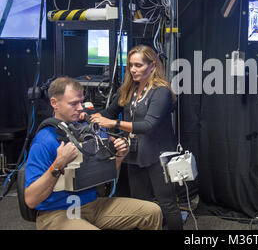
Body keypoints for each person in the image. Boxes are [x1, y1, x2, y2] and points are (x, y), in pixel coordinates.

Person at [24, 77, 162, 230]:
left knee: (152, 212)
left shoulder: (88, 131)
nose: (80, 108)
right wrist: (57, 165)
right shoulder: (44, 141)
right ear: (54, 103)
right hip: (57, 213)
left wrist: (120, 154)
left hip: (92, 206)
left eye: (81, 102)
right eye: (73, 104)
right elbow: (31, 200)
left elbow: (105, 175)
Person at [89, 44, 183, 230]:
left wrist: (113, 124)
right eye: (131, 65)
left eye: (138, 65)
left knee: (167, 203)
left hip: (158, 155)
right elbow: (108, 112)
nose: (133, 69)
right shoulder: (128, 89)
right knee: (141, 204)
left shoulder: (161, 91)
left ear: (153, 66)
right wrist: (85, 114)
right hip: (134, 154)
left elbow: (148, 125)